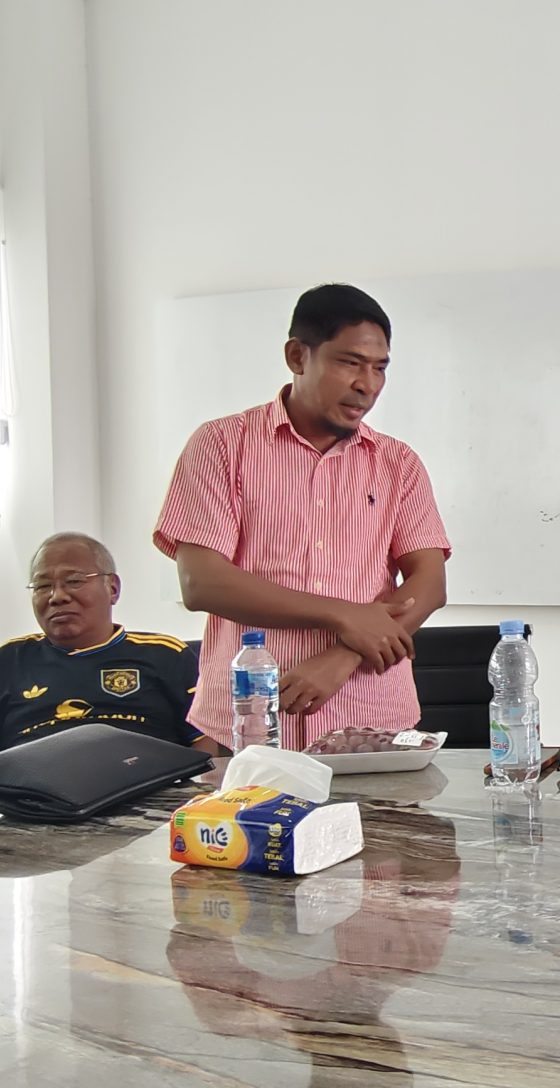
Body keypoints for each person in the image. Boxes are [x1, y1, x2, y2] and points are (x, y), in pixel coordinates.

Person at [153, 284, 452, 750]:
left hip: (371, 719)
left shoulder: (398, 462)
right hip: (251, 719)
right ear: (297, 356)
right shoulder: (223, 445)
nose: (367, 385)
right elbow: (201, 583)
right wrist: (343, 616)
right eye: (350, 362)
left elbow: (429, 583)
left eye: (379, 368)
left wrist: (343, 656)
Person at [0, 533, 213, 768]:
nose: (57, 596)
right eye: (43, 586)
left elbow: (207, 738)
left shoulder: (165, 654)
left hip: (142, 791)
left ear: (113, 588)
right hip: (33, 797)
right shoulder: (11, 659)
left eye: (73, 581)